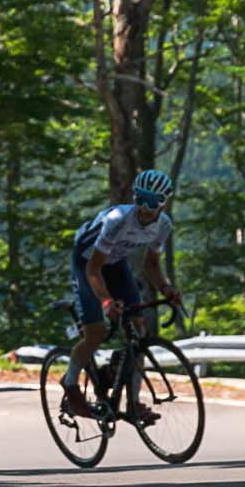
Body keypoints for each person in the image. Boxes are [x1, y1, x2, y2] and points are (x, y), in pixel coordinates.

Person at [61, 170, 183, 422]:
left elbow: (151, 265)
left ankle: (133, 402)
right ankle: (70, 383)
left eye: (154, 201)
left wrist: (167, 289)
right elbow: (93, 269)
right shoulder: (118, 219)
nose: (145, 208)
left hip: (115, 264)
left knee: (138, 330)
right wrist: (106, 301)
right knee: (94, 333)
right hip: (87, 263)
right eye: (140, 199)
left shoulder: (164, 225)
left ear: (165, 201)